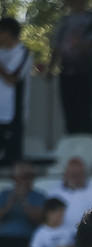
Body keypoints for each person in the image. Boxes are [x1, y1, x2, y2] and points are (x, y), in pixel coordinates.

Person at [48, 0, 92, 136]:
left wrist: (85, 45)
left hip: (86, 71)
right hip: (66, 73)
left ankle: (90, 144)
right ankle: (72, 144)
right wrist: (51, 69)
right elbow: (57, 48)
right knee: (69, 112)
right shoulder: (63, 21)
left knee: (85, 111)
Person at [0, 161, 45, 247]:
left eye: (29, 177)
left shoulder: (39, 196)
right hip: (4, 236)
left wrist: (24, 203)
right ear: (14, 179)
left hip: (26, 238)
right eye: (21, 177)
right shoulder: (5, 195)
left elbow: (40, 219)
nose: (25, 181)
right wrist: (9, 204)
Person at [0, 17, 32, 166]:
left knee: (12, 160)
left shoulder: (23, 52)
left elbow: (12, 79)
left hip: (12, 115)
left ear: (8, 33)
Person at [51, 157, 92, 234]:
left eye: (79, 174)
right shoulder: (55, 193)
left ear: (84, 175)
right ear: (65, 174)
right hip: (60, 236)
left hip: (88, 235)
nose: (76, 178)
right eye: (73, 175)